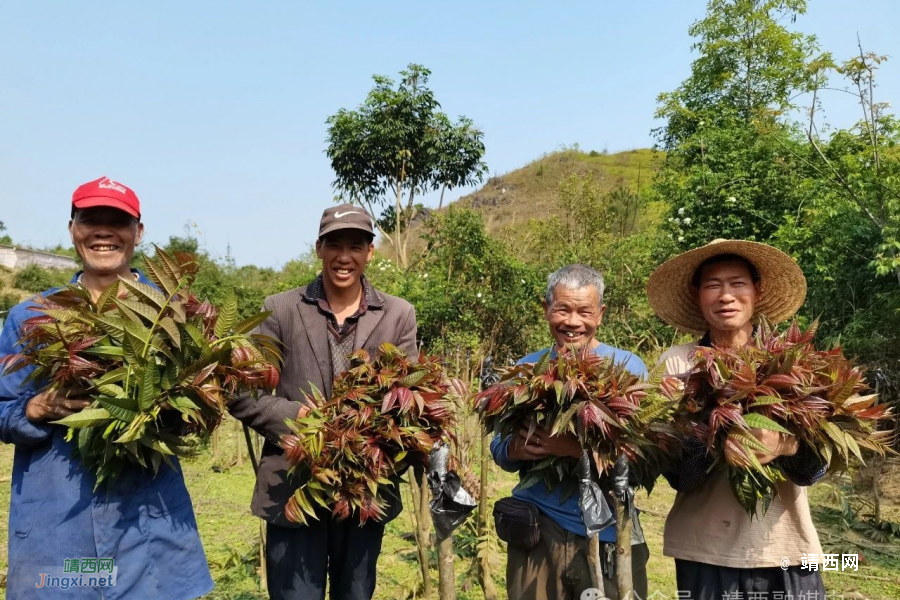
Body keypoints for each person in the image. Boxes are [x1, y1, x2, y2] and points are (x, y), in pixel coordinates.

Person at [0, 177, 213, 600]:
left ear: (138, 231)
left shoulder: (172, 313)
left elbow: (201, 408)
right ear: (72, 228)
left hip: (147, 526)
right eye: (90, 219)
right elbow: (3, 410)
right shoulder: (32, 316)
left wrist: (180, 407)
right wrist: (36, 410)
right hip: (60, 527)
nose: (103, 231)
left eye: (116, 221)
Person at [228, 204, 417, 600]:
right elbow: (242, 390)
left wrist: (369, 432)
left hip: (365, 487)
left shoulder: (398, 314)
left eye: (355, 245)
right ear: (319, 248)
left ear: (370, 252)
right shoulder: (280, 309)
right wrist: (294, 417)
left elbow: (409, 397)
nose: (343, 256)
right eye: (334, 244)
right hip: (293, 487)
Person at [647, 239, 826, 600]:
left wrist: (785, 444)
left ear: (756, 291)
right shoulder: (678, 365)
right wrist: (719, 439)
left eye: (737, 283)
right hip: (705, 550)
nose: (725, 295)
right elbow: (679, 475)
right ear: (697, 294)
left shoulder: (792, 361)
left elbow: (813, 468)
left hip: (787, 548)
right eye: (713, 285)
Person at [490, 264, 650, 600]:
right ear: (547, 310)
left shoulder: (628, 368)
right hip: (537, 528)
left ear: (601, 314)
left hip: (608, 532)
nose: (573, 322)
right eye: (562, 309)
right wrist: (515, 450)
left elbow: (641, 455)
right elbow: (499, 447)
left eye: (584, 311)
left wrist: (572, 449)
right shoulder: (525, 368)